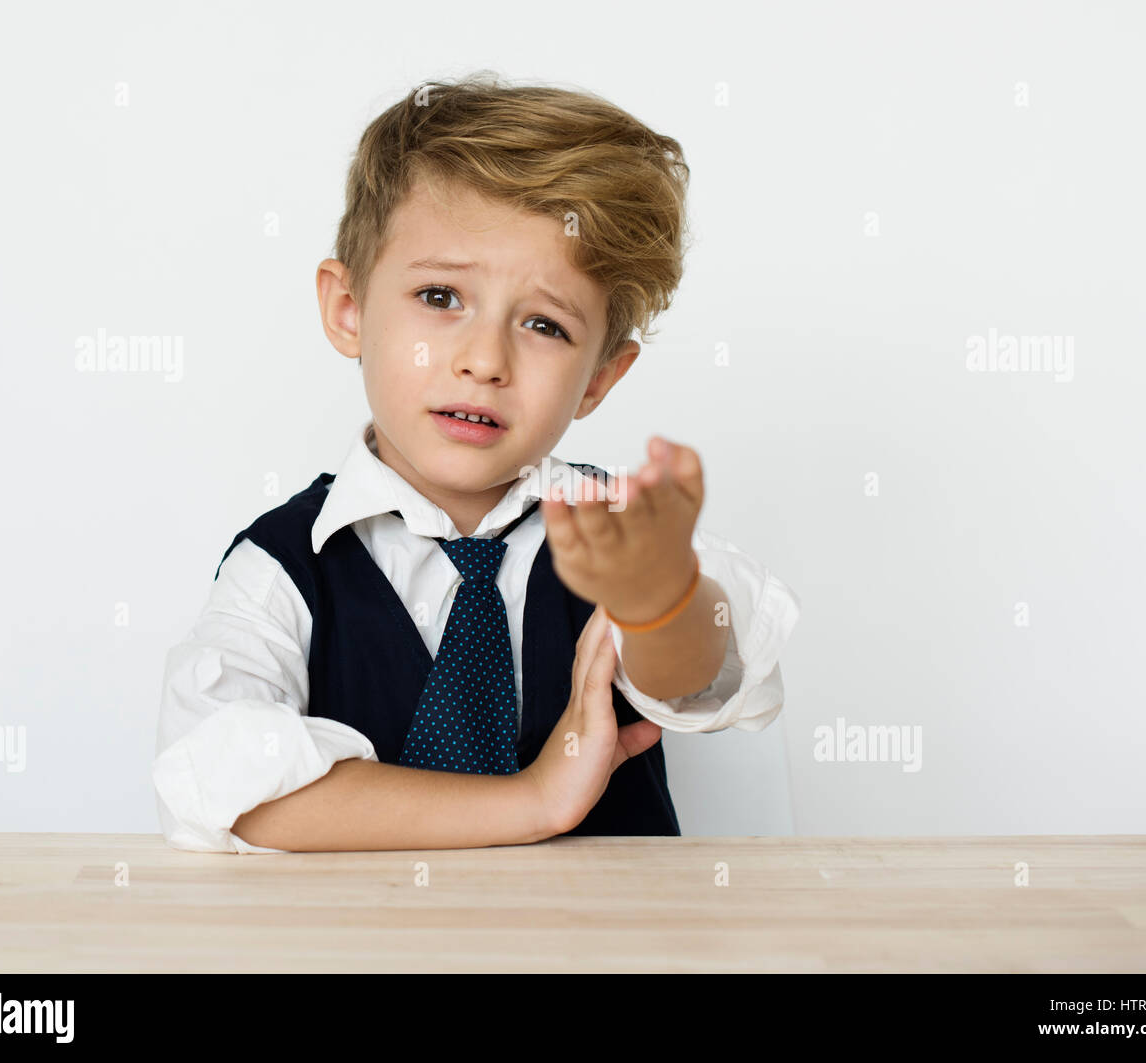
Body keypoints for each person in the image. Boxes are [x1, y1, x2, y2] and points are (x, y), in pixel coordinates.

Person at [152, 71, 800, 853]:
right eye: (440, 297)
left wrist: (657, 600)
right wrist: (534, 801)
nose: (484, 359)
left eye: (543, 325)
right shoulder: (284, 567)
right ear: (348, 309)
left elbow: (704, 676)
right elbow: (227, 782)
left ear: (599, 377)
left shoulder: (616, 532)